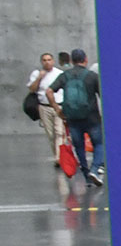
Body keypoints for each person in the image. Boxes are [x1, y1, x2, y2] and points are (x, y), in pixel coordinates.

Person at [51, 48, 104, 185]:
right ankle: (94, 169)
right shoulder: (92, 76)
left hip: (73, 118)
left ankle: (87, 176)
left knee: (79, 147)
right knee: (99, 144)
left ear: (72, 60)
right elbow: (102, 95)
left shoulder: (65, 76)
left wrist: (57, 109)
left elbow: (49, 91)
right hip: (92, 118)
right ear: (85, 59)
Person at [24, 51, 65, 166]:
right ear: (41, 62)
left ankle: (59, 158)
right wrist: (39, 78)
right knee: (51, 134)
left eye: (49, 60)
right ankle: (56, 154)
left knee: (59, 132)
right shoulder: (36, 73)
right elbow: (32, 89)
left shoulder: (59, 73)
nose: (47, 62)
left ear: (53, 61)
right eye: (44, 60)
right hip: (44, 106)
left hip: (58, 106)